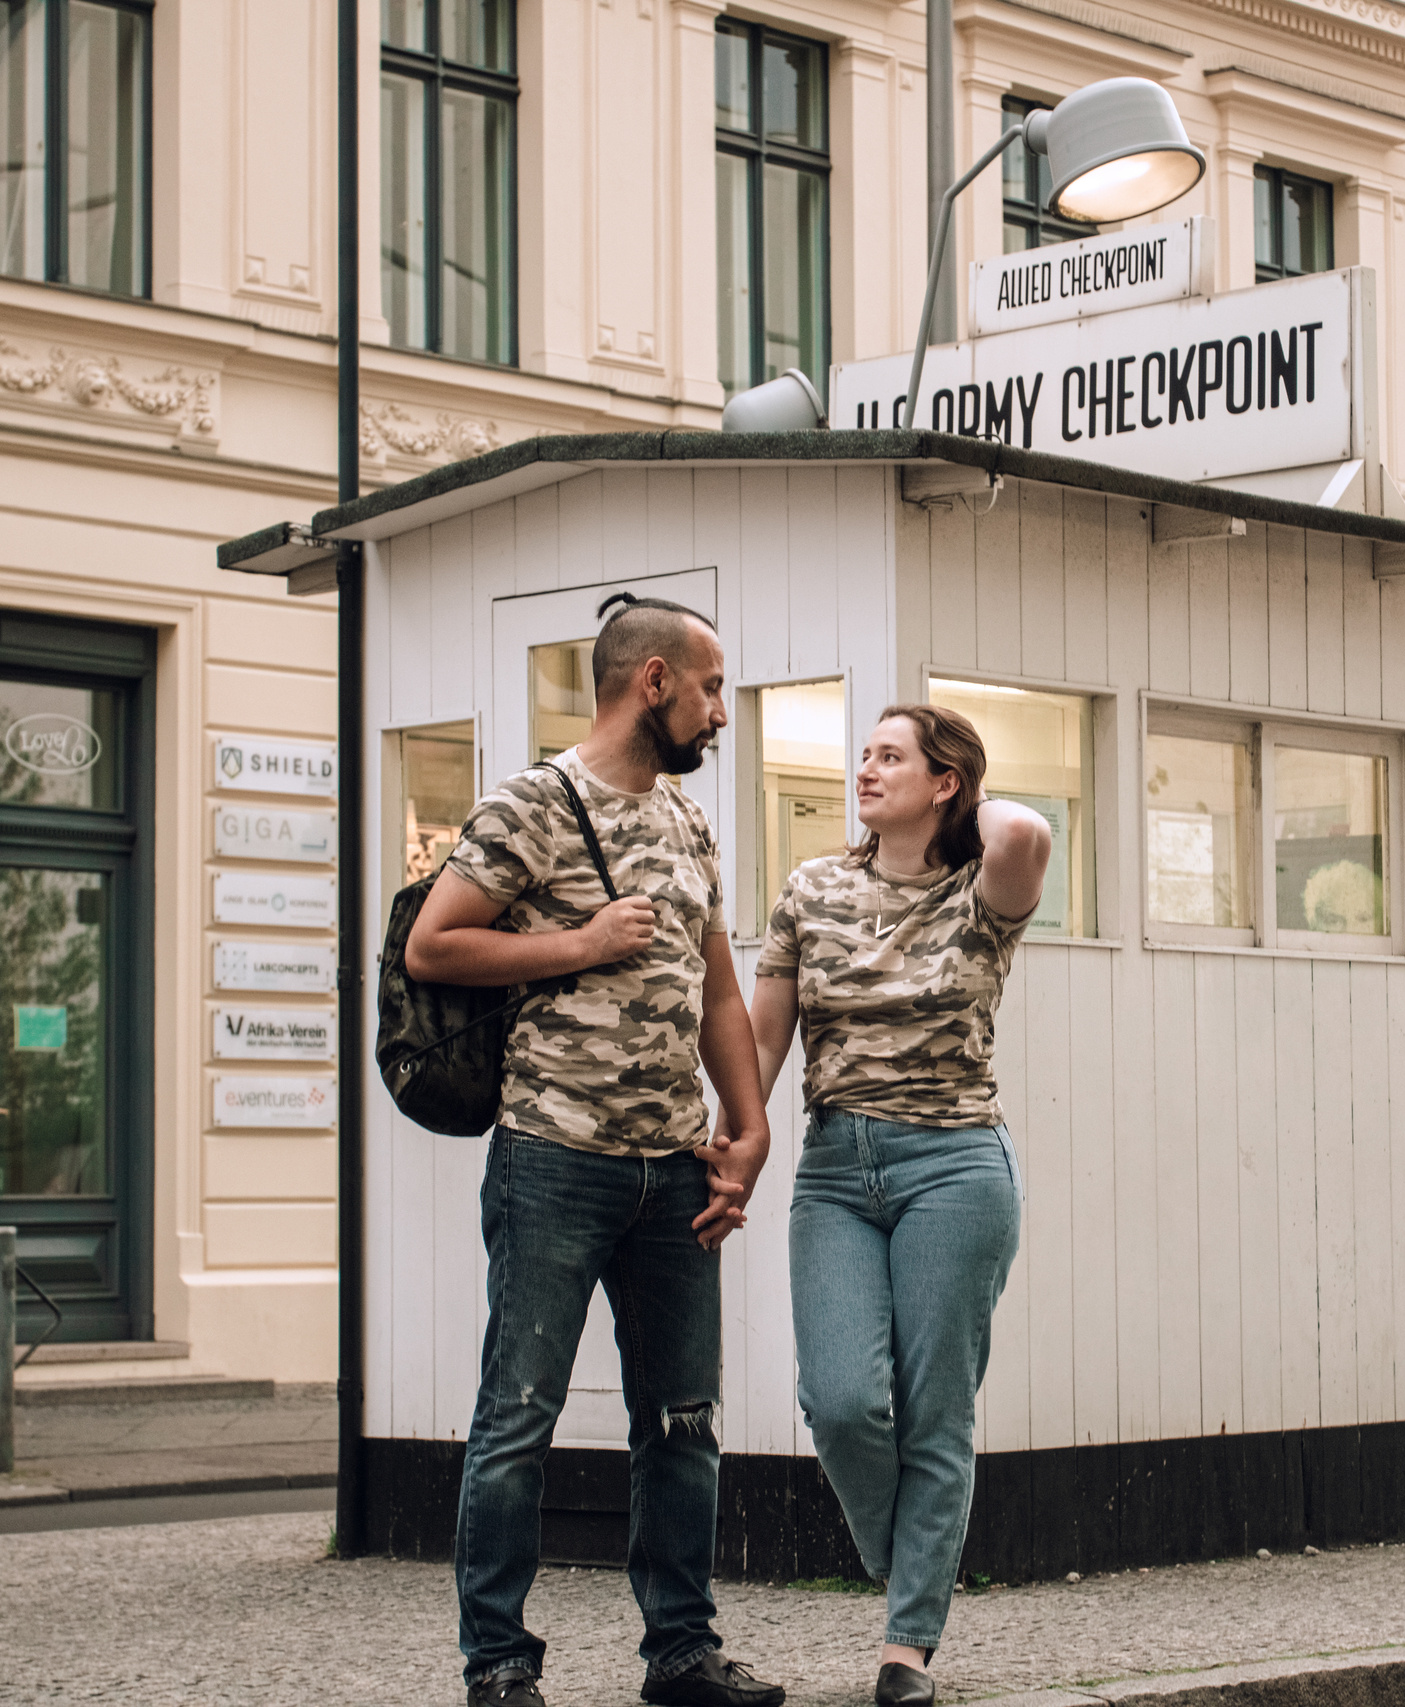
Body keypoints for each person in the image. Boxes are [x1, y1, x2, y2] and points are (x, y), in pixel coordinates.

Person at [406, 594, 785, 1707]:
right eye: (712, 688)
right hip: (552, 1155)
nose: (722, 712)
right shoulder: (530, 803)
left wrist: (749, 1125)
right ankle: (499, 1667)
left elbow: (718, 987)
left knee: (681, 1420)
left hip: (673, 1168)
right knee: (518, 1412)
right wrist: (576, 940)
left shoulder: (688, 824)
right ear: (654, 681)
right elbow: (434, 944)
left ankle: (681, 1655)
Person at [738, 705, 1052, 1707]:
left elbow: (1028, 833)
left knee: (935, 1412)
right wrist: (736, 1144)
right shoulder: (811, 888)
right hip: (835, 1166)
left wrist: (958, 810)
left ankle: (906, 1644)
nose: (863, 771)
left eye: (889, 757)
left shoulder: (981, 887)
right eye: (861, 756)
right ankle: (914, 1560)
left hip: (954, 1169)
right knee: (841, 1402)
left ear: (945, 780)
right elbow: (764, 1038)